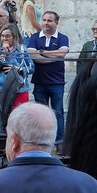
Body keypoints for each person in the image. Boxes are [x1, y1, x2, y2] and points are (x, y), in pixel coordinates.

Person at [26, 11, 70, 140]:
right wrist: (54, 56)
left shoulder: (63, 38)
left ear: (56, 23)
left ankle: (59, 141)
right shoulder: (34, 37)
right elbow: (33, 57)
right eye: (44, 20)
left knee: (58, 114)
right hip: (39, 82)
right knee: (40, 115)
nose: (46, 23)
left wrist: (42, 52)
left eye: (49, 20)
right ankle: (42, 140)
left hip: (57, 83)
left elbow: (62, 54)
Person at [0, 24, 33, 110]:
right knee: (4, 116)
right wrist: (3, 55)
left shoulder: (22, 50)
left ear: (14, 37)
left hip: (20, 89)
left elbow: (31, 68)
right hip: (1, 88)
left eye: (8, 36)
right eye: (2, 36)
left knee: (21, 115)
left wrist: (18, 69)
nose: (4, 39)